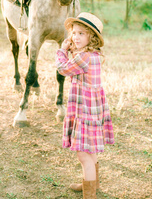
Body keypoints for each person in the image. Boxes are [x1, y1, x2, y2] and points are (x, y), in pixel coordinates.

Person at [56, 12, 114, 199]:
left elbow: (63, 69)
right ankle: (91, 183)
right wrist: (72, 50)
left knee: (83, 155)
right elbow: (75, 65)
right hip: (92, 110)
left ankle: (90, 194)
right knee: (90, 150)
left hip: (85, 111)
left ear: (92, 37)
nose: (75, 37)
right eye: (74, 33)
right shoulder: (91, 55)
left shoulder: (83, 58)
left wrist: (62, 51)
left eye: (81, 33)